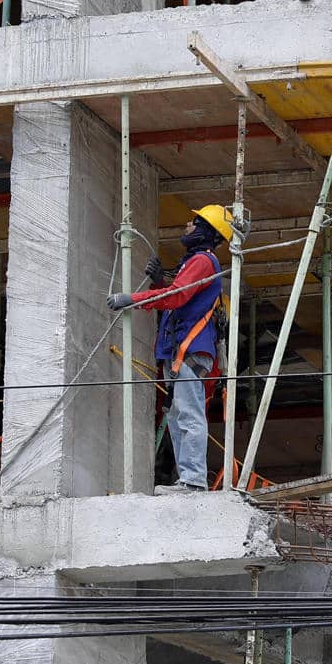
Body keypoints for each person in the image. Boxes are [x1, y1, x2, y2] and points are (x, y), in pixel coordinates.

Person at [109, 205, 235, 494]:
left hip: (189, 351)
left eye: (194, 222)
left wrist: (133, 299)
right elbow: (183, 299)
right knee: (179, 417)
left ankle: (192, 481)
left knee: (189, 414)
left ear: (206, 230)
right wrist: (159, 284)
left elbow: (178, 297)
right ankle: (187, 479)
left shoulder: (203, 260)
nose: (187, 225)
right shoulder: (193, 262)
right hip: (180, 352)